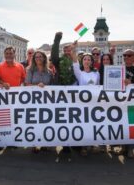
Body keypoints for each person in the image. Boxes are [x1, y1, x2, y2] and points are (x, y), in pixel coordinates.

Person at [51, 32, 77, 162]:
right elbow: (53, 55)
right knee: (63, 119)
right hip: (61, 95)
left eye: (70, 49)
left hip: (75, 95)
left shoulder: (78, 61)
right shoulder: (58, 61)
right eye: (65, 49)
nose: (67, 51)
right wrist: (57, 40)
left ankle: (75, 142)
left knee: (74, 119)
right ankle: (65, 144)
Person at [72, 47, 100, 156]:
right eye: (85, 59)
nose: (87, 61)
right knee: (83, 124)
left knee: (93, 124)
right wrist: (74, 50)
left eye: (89, 59)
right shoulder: (79, 73)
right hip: (82, 104)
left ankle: (93, 145)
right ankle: (83, 147)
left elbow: (98, 86)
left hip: (93, 103)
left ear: (92, 62)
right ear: (82, 61)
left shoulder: (96, 73)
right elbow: (74, 62)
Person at [25, 50, 54, 153]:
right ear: (33, 59)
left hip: (46, 102)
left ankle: (44, 144)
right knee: (34, 122)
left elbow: (52, 86)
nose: (38, 58)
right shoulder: (29, 70)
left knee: (45, 122)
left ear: (44, 58)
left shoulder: (49, 72)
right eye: (36, 57)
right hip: (33, 101)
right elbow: (27, 84)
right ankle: (34, 144)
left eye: (40, 57)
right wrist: (36, 86)